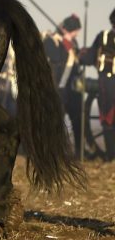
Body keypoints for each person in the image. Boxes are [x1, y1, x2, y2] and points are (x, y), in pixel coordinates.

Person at [43, 14, 93, 156]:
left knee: (77, 120)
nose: (76, 34)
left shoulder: (72, 43)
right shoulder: (51, 41)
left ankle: (79, 151)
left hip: (73, 90)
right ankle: (54, 152)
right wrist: (66, 44)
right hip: (58, 88)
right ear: (67, 30)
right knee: (56, 121)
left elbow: (76, 61)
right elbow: (56, 59)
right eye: (74, 31)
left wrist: (77, 51)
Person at [83, 7, 115, 161]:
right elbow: (90, 58)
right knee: (109, 121)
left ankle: (110, 156)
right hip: (107, 83)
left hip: (106, 84)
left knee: (108, 121)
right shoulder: (103, 37)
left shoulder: (102, 37)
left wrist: (82, 56)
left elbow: (89, 58)